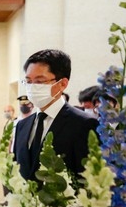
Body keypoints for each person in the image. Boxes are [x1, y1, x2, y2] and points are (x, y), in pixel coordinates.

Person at [13, 49, 98, 182]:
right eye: (28, 81)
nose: (33, 87)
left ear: (62, 84)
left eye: (40, 81)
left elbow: (88, 179)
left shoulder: (83, 124)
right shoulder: (22, 126)